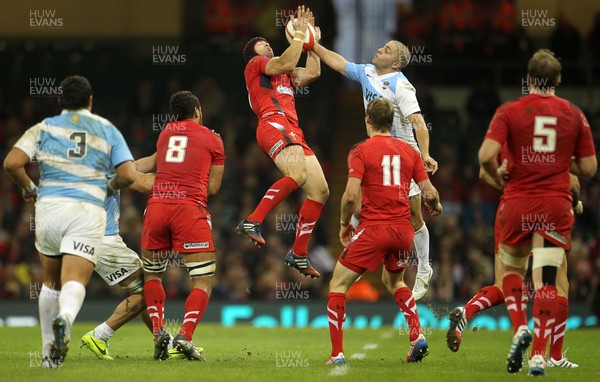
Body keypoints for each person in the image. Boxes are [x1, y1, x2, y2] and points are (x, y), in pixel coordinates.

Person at [3, 75, 136, 368]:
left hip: (48, 208)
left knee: (50, 282)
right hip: (86, 210)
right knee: (74, 279)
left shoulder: (43, 128)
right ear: (90, 100)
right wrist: (108, 188)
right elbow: (127, 174)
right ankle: (66, 318)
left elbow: (12, 163)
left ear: (60, 101)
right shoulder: (106, 129)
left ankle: (49, 357)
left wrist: (29, 189)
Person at [478, 49, 596, 376]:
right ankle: (541, 357)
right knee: (548, 281)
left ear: (528, 79)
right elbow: (589, 167)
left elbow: (485, 155)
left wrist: (498, 172)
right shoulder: (574, 115)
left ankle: (520, 329)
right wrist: (561, 161)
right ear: (558, 80)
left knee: (513, 270)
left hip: (518, 201)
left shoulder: (508, 111)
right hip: (556, 205)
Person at [312, 38, 438, 299]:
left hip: (403, 156)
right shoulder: (367, 71)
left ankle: (425, 268)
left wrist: (424, 153)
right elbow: (338, 63)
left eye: (387, 49)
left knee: (414, 217)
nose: (380, 48)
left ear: (395, 63)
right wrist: (312, 44)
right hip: (378, 150)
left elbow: (419, 123)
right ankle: (358, 253)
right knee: (358, 202)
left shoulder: (402, 87)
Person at [325, 98, 442, 365]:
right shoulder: (409, 152)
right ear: (391, 122)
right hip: (403, 232)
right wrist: (435, 205)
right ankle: (417, 337)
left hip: (374, 228)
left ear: (368, 119)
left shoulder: (360, 151)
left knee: (338, 284)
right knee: (394, 283)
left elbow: (351, 197)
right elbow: (429, 193)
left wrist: (345, 224)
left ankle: (337, 354)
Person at [446, 148, 583, 369]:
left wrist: (513, 189)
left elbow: (483, 172)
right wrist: (574, 201)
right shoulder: (555, 129)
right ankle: (550, 356)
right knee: (554, 285)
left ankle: (468, 311)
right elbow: (574, 182)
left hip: (512, 210)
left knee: (503, 283)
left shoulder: (509, 129)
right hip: (548, 208)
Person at [236, 6, 327, 279]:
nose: (268, 45)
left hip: (292, 129)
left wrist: (313, 44)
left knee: (320, 191)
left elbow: (313, 72)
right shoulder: (256, 66)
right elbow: (286, 62)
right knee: (297, 175)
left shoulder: (282, 73)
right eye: (262, 44)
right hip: (272, 123)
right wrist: (299, 36)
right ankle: (252, 220)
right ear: (254, 53)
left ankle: (298, 253)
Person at [140, 91, 225, 361]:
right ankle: (185, 336)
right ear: (198, 110)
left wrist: (122, 170)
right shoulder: (213, 140)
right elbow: (213, 187)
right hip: (188, 209)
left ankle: (158, 333)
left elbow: (153, 163)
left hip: (156, 208)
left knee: (153, 276)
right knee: (202, 280)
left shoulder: (165, 133)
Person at [81, 169, 159, 360]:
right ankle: (100, 335)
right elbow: (145, 183)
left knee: (141, 292)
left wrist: (164, 153)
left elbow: (140, 165)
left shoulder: (90, 165)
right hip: (104, 241)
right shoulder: (108, 168)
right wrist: (183, 173)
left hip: (88, 238)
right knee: (148, 290)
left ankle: (162, 340)